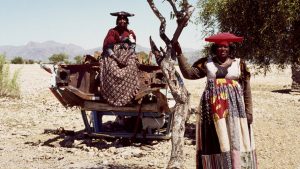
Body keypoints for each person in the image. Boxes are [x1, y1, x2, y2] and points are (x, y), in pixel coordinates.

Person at [174, 32, 257, 169]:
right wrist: (179, 54)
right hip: (211, 111)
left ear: (230, 48)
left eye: (225, 47)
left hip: (234, 110)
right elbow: (188, 73)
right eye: (219, 47)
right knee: (214, 140)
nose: (222, 49)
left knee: (235, 139)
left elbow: (247, 89)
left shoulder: (239, 64)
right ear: (214, 48)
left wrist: (249, 112)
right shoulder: (207, 63)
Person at [99, 11, 139, 107]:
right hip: (112, 55)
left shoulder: (130, 32)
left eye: (124, 19)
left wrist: (128, 55)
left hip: (127, 55)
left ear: (127, 21)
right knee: (110, 67)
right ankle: (112, 96)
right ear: (117, 21)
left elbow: (132, 47)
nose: (122, 21)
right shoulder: (112, 31)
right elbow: (108, 47)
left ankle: (128, 96)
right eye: (120, 19)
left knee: (132, 66)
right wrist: (114, 58)